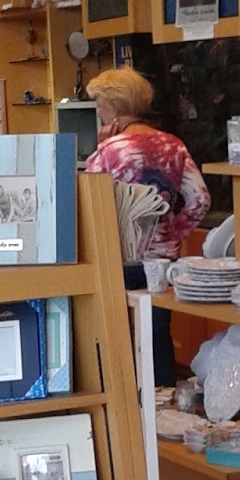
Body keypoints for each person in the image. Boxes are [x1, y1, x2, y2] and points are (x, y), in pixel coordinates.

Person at [84, 68, 211, 384]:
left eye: (99, 105)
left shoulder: (109, 151)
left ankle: (128, 405)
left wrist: (100, 148)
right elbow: (200, 200)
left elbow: (89, 204)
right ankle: (164, 402)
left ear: (113, 107)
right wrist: (173, 232)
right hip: (161, 262)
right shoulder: (173, 146)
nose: (98, 112)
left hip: (118, 256)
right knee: (157, 333)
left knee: (118, 335)